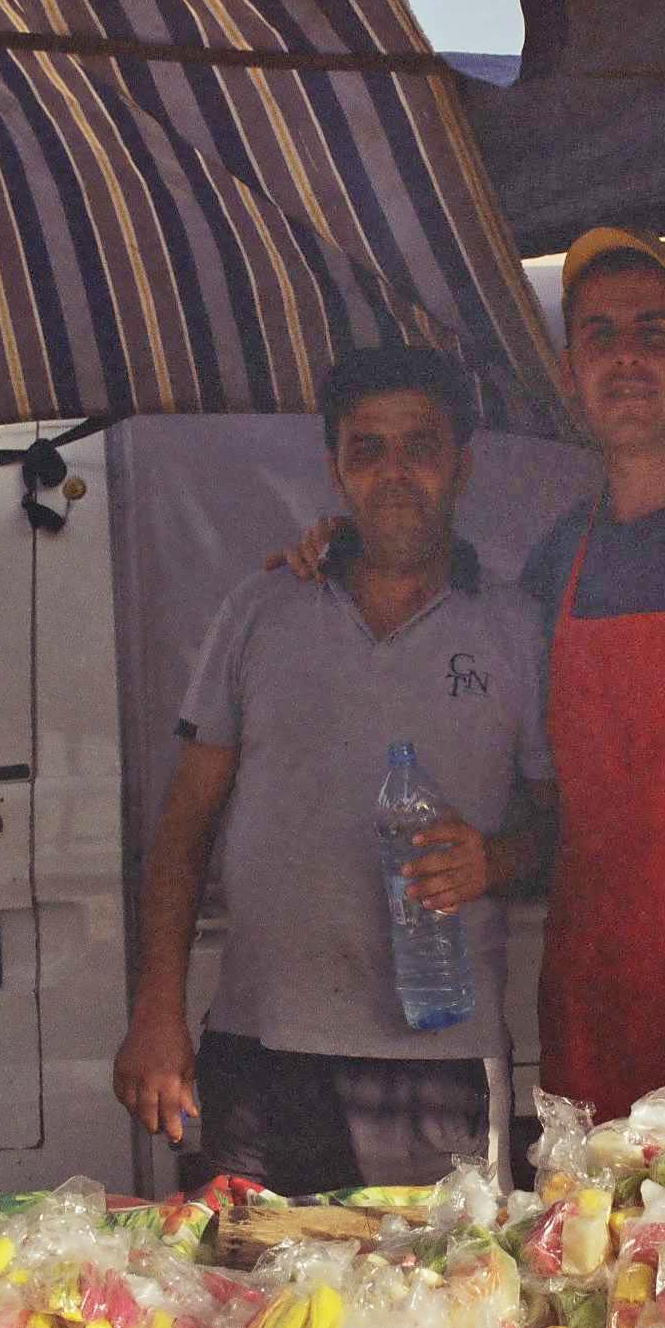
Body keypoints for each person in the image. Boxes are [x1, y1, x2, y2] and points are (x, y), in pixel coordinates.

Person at [281, 228, 665, 1119]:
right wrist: (341, 550)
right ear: (569, 375)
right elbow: (521, 749)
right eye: (598, 337)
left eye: (653, 332)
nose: (625, 358)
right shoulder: (557, 558)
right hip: (598, 1016)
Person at [113, 346, 556, 1195]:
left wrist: (493, 860)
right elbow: (183, 826)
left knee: (428, 1314)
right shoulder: (262, 608)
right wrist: (157, 1009)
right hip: (260, 1047)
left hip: (438, 1064)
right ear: (335, 468)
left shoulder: (516, 629)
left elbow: (561, 828)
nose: (394, 473)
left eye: (419, 447)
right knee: (252, 1303)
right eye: (367, 449)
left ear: (460, 464)